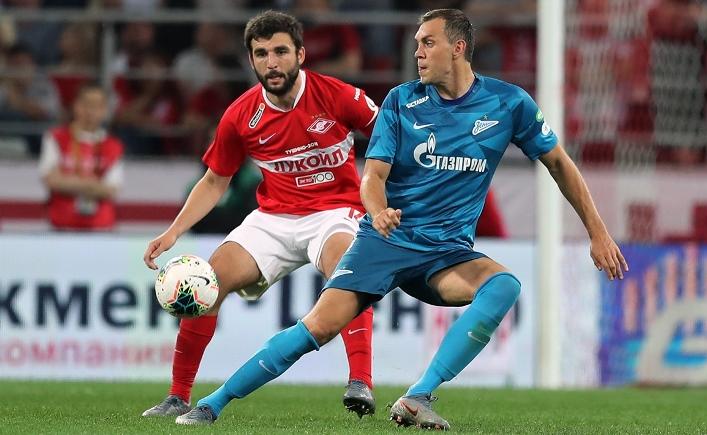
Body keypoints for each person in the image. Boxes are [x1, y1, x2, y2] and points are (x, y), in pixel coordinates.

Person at [176, 8, 629, 429]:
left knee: (504, 285)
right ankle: (212, 404)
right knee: (318, 327)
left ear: (458, 48)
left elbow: (559, 163)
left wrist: (598, 233)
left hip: (446, 255)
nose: (417, 53)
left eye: (428, 43)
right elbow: (372, 176)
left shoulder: (508, 104)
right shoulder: (401, 101)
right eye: (416, 44)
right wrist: (377, 212)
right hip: (386, 242)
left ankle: (418, 396)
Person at [141, 10, 379, 419]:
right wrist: (174, 232)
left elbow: (390, 140)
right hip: (274, 218)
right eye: (261, 53)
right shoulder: (240, 115)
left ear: (300, 54)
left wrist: (391, 198)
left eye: (281, 51)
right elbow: (214, 181)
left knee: (349, 269)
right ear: (251, 59)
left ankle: (361, 381)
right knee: (210, 279)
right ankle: (177, 396)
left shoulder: (339, 96)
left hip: (336, 211)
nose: (272, 62)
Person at [38, 84, 124, 231]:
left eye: (97, 106)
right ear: (75, 106)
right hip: (62, 227)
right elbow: (51, 180)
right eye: (86, 104)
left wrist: (69, 183)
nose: (91, 110)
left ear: (105, 110)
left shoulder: (113, 145)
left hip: (101, 228)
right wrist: (91, 185)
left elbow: (112, 189)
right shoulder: (56, 138)